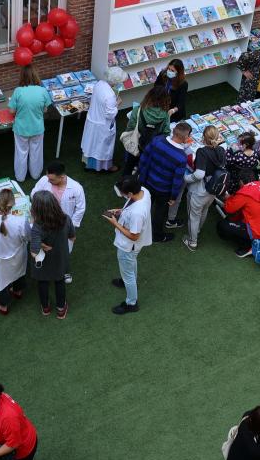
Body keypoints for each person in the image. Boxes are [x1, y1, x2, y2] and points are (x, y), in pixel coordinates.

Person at [137, 122, 192, 242]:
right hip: (164, 189)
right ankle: (157, 235)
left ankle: (138, 228)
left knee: (144, 206)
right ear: (186, 138)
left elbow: (144, 157)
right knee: (159, 213)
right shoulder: (181, 157)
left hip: (147, 181)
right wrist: (173, 196)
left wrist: (141, 174)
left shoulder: (157, 141)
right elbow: (177, 180)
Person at [32, 161, 85, 282]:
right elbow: (34, 194)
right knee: (45, 248)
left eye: (52, 180)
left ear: (62, 177)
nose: (48, 181)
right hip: (45, 223)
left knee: (65, 250)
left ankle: (65, 271)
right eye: (48, 178)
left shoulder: (76, 188)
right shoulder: (45, 180)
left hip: (63, 226)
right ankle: (45, 268)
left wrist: (72, 226)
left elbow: (81, 209)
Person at [106, 176, 152, 314]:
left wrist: (115, 223)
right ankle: (129, 280)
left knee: (128, 273)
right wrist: (121, 211)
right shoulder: (144, 191)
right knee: (131, 265)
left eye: (124, 194)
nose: (123, 196)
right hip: (135, 245)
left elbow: (134, 235)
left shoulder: (137, 213)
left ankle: (131, 303)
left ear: (131, 194)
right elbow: (131, 205)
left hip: (128, 246)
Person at [26, 191, 74, 319]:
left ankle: (45, 308)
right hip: (60, 258)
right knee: (59, 281)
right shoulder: (66, 219)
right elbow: (72, 237)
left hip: (43, 262)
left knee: (42, 282)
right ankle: (61, 309)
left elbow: (33, 252)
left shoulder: (37, 227)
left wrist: (41, 245)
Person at [183, 126, 228, 251]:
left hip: (200, 189)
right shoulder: (221, 150)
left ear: (204, 137)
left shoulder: (202, 152)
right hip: (214, 189)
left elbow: (199, 174)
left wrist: (186, 178)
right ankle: (196, 231)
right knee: (204, 210)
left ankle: (192, 242)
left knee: (194, 215)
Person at [8, 65, 53, 183]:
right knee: (36, 152)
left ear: (22, 76)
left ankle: (20, 177)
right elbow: (45, 109)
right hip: (37, 128)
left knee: (21, 152)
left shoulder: (18, 91)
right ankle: (35, 174)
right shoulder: (42, 91)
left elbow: (12, 111)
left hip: (21, 128)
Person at [219, 168, 260, 258]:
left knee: (222, 226)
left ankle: (247, 247)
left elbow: (229, 209)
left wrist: (228, 198)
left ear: (241, 181)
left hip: (258, 233)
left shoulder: (244, 193)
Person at [81, 67, 124, 172]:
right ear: (115, 81)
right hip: (103, 124)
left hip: (93, 119)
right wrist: (117, 104)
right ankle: (105, 167)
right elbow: (110, 114)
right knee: (102, 148)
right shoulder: (110, 95)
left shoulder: (99, 84)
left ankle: (89, 164)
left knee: (91, 144)